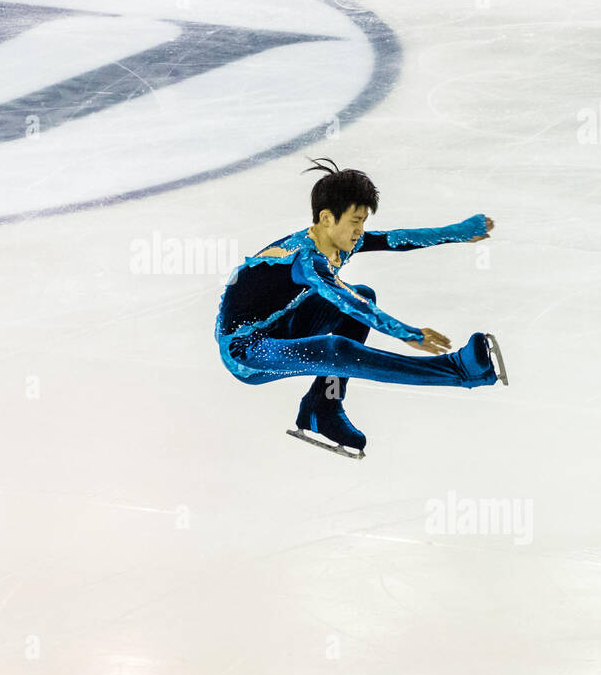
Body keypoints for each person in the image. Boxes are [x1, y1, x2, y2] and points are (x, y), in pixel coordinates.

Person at [214, 157, 506, 457]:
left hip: (281, 324)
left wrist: (459, 231)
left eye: (364, 221)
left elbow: (397, 239)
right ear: (327, 218)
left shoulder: (335, 240)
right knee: (335, 349)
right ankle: (458, 371)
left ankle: (322, 406)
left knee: (364, 293)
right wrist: (407, 333)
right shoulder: (306, 260)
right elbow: (347, 301)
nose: (360, 230)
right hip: (246, 351)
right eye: (355, 221)